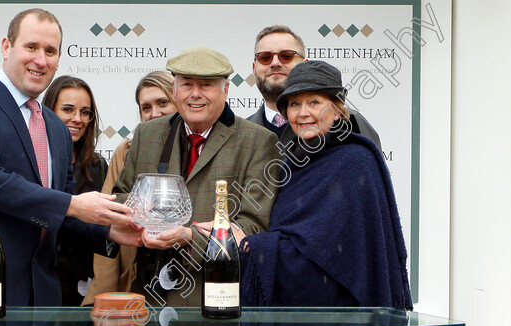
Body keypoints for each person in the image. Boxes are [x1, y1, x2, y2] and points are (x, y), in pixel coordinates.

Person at [0, 9, 142, 307]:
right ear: (6, 47)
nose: (41, 60)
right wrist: (74, 204)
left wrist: (112, 230)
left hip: (40, 299)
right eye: (31, 47)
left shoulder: (56, 128)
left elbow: (58, 213)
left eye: (50, 51)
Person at [202, 60, 412, 308]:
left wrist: (246, 244)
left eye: (314, 102)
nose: (303, 113)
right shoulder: (291, 164)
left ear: (337, 109)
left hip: (341, 318)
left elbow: (331, 259)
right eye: (294, 104)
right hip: (301, 318)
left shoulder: (355, 161)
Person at [112, 47, 281, 308]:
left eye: (206, 85)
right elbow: (122, 197)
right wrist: (145, 225)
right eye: (187, 84)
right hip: (149, 299)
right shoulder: (147, 134)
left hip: (217, 298)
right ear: (175, 90)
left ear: (225, 90)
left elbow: (254, 228)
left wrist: (191, 237)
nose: (195, 94)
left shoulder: (258, 141)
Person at [82, 71, 177, 305]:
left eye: (163, 103)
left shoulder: (201, 147)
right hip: (138, 275)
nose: (155, 113)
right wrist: (103, 296)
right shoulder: (127, 150)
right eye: (146, 107)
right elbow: (108, 217)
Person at [246, 25, 382, 149]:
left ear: (305, 64)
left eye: (286, 56)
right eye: (265, 57)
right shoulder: (239, 133)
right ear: (254, 68)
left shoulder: (350, 123)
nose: (275, 63)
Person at [41, 76, 109, 305]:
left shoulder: (98, 167)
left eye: (85, 112)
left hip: (86, 285)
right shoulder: (35, 163)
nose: (77, 119)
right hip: (42, 281)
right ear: (49, 110)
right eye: (68, 109)